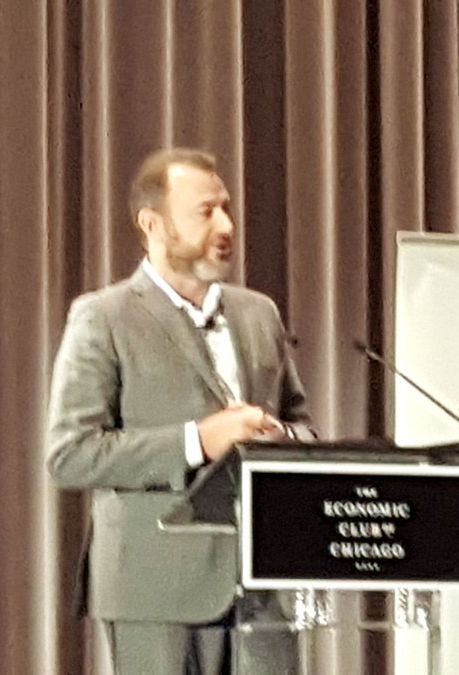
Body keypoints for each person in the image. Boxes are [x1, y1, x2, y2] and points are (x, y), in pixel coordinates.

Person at [46, 147, 315, 674]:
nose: (226, 225)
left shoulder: (259, 313)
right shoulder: (103, 317)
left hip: (264, 591)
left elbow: (303, 426)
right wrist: (198, 441)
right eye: (205, 211)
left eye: (226, 208)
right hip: (155, 591)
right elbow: (69, 454)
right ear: (152, 224)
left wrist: (280, 438)